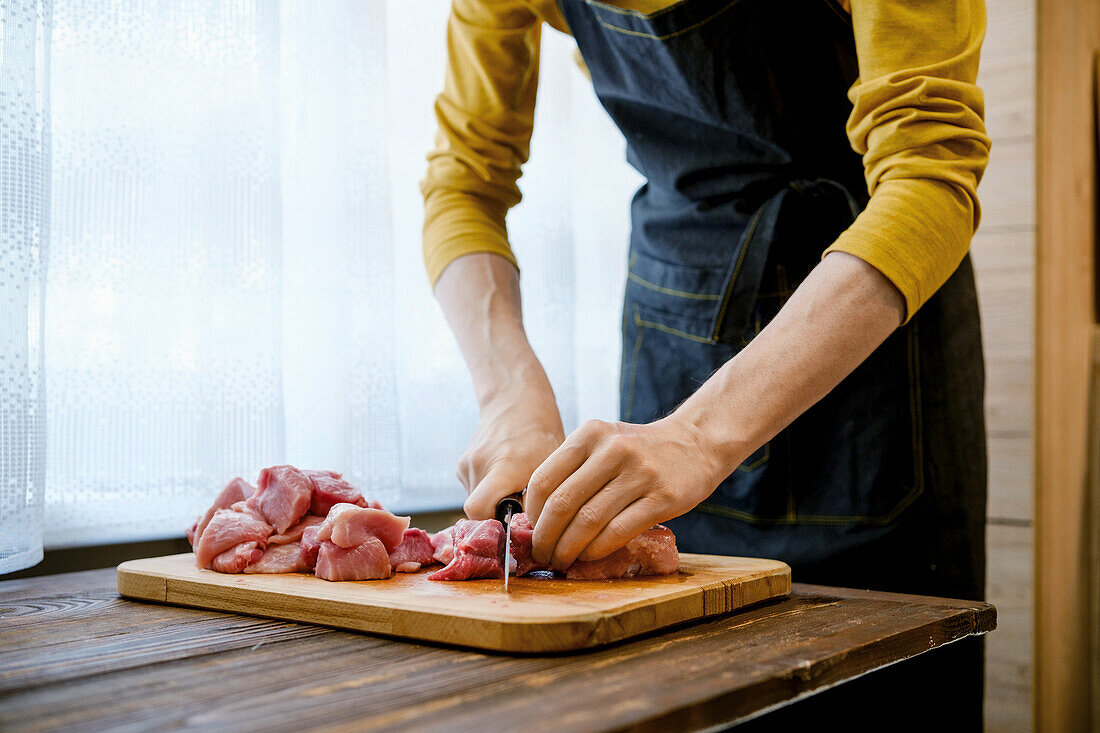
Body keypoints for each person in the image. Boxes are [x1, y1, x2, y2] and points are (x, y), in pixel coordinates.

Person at [422, 0, 990, 727]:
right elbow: (464, 184)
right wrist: (508, 396)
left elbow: (931, 174)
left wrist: (699, 434)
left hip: (870, 367)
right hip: (676, 317)